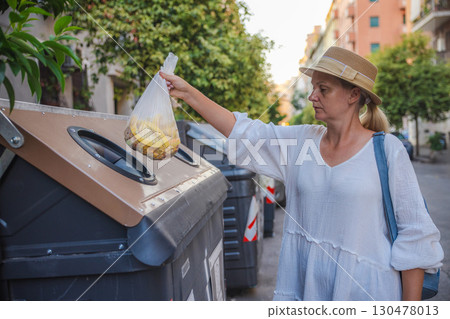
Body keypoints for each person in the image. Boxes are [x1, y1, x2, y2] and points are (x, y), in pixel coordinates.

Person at [160, 46, 444, 301]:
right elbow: (245, 133)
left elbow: (415, 236)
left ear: (354, 95)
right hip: (308, 291)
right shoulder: (302, 142)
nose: (312, 96)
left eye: (323, 89)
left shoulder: (388, 150)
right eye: (313, 87)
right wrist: (187, 93)